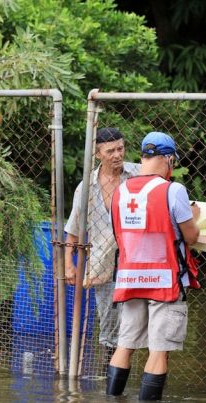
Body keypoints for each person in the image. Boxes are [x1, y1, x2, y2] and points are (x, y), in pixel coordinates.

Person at [105, 131, 201, 401]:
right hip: (165, 281)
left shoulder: (120, 192)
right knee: (158, 351)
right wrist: (193, 215)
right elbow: (191, 236)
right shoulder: (174, 190)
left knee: (125, 345)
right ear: (169, 160)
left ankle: (112, 398)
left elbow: (120, 235)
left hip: (130, 280)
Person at [64, 127, 140, 353]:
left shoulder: (138, 175)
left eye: (120, 148)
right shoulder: (87, 187)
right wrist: (69, 263)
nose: (117, 155)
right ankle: (110, 374)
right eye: (110, 151)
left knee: (135, 321)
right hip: (103, 262)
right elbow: (74, 228)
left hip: (135, 259)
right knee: (108, 322)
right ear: (98, 154)